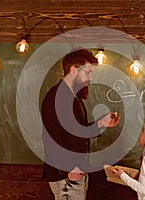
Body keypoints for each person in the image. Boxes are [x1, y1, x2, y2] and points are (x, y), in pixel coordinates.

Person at [41, 48, 120, 200]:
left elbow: (76, 132)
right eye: (88, 72)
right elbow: (52, 137)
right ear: (73, 70)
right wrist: (69, 167)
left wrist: (101, 124)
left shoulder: (72, 97)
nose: (90, 78)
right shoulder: (57, 97)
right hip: (67, 175)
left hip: (75, 172)